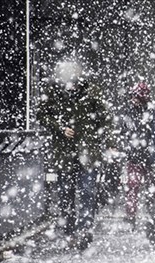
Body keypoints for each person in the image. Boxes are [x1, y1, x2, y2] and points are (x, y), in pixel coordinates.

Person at [37, 60, 116, 251]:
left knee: (87, 192)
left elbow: (106, 119)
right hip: (66, 152)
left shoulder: (90, 92)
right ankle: (71, 231)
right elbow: (41, 115)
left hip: (86, 151)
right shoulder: (54, 92)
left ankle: (84, 230)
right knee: (67, 193)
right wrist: (60, 127)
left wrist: (105, 141)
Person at [120, 82, 155, 230]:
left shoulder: (150, 112)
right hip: (137, 155)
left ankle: (148, 212)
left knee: (151, 188)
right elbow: (126, 130)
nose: (133, 99)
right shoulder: (131, 112)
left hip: (147, 156)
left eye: (136, 96)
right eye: (132, 96)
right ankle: (132, 216)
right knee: (133, 187)